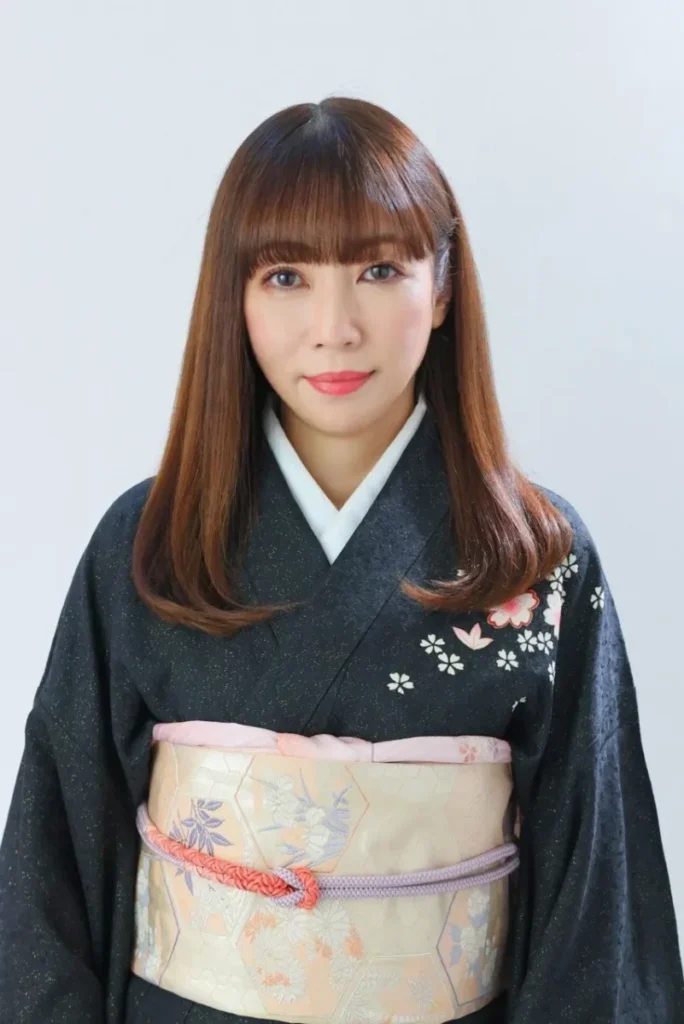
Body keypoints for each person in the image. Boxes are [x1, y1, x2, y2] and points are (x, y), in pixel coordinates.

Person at [1, 95, 682, 1024]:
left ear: (443, 288)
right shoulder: (149, 544)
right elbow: (53, 861)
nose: (334, 326)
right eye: (286, 275)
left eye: (379, 269)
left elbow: (593, 897)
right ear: (235, 296)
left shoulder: (535, 559)